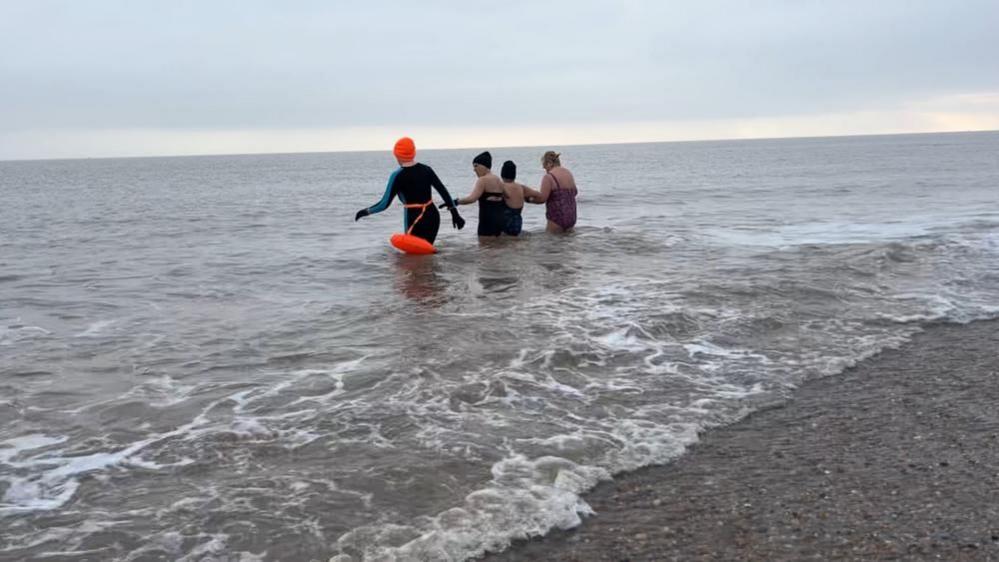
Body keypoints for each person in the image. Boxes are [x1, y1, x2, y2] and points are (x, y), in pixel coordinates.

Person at [355, 137, 464, 243]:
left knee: (413, 258)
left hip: (414, 219)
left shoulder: (397, 175)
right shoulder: (427, 169)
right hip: (432, 216)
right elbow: (443, 192)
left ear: (397, 155)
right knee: (427, 255)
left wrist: (366, 212)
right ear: (413, 153)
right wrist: (455, 214)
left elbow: (384, 204)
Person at [446, 151, 511, 237]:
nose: (474, 169)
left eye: (476, 166)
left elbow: (472, 199)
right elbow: (508, 196)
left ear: (484, 165)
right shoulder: (498, 179)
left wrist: (456, 202)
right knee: (498, 248)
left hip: (486, 223)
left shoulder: (482, 180)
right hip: (500, 222)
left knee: (484, 248)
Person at [523, 150, 577, 233]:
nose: (545, 169)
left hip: (556, 218)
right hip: (571, 217)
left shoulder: (549, 177)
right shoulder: (568, 173)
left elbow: (542, 199)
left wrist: (528, 199)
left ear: (549, 163)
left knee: (551, 243)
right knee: (567, 244)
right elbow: (575, 192)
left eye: (544, 166)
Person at [498, 160, 526, 236]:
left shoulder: (501, 187)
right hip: (518, 225)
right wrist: (529, 199)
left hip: (505, 226)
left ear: (502, 173)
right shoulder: (521, 187)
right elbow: (539, 196)